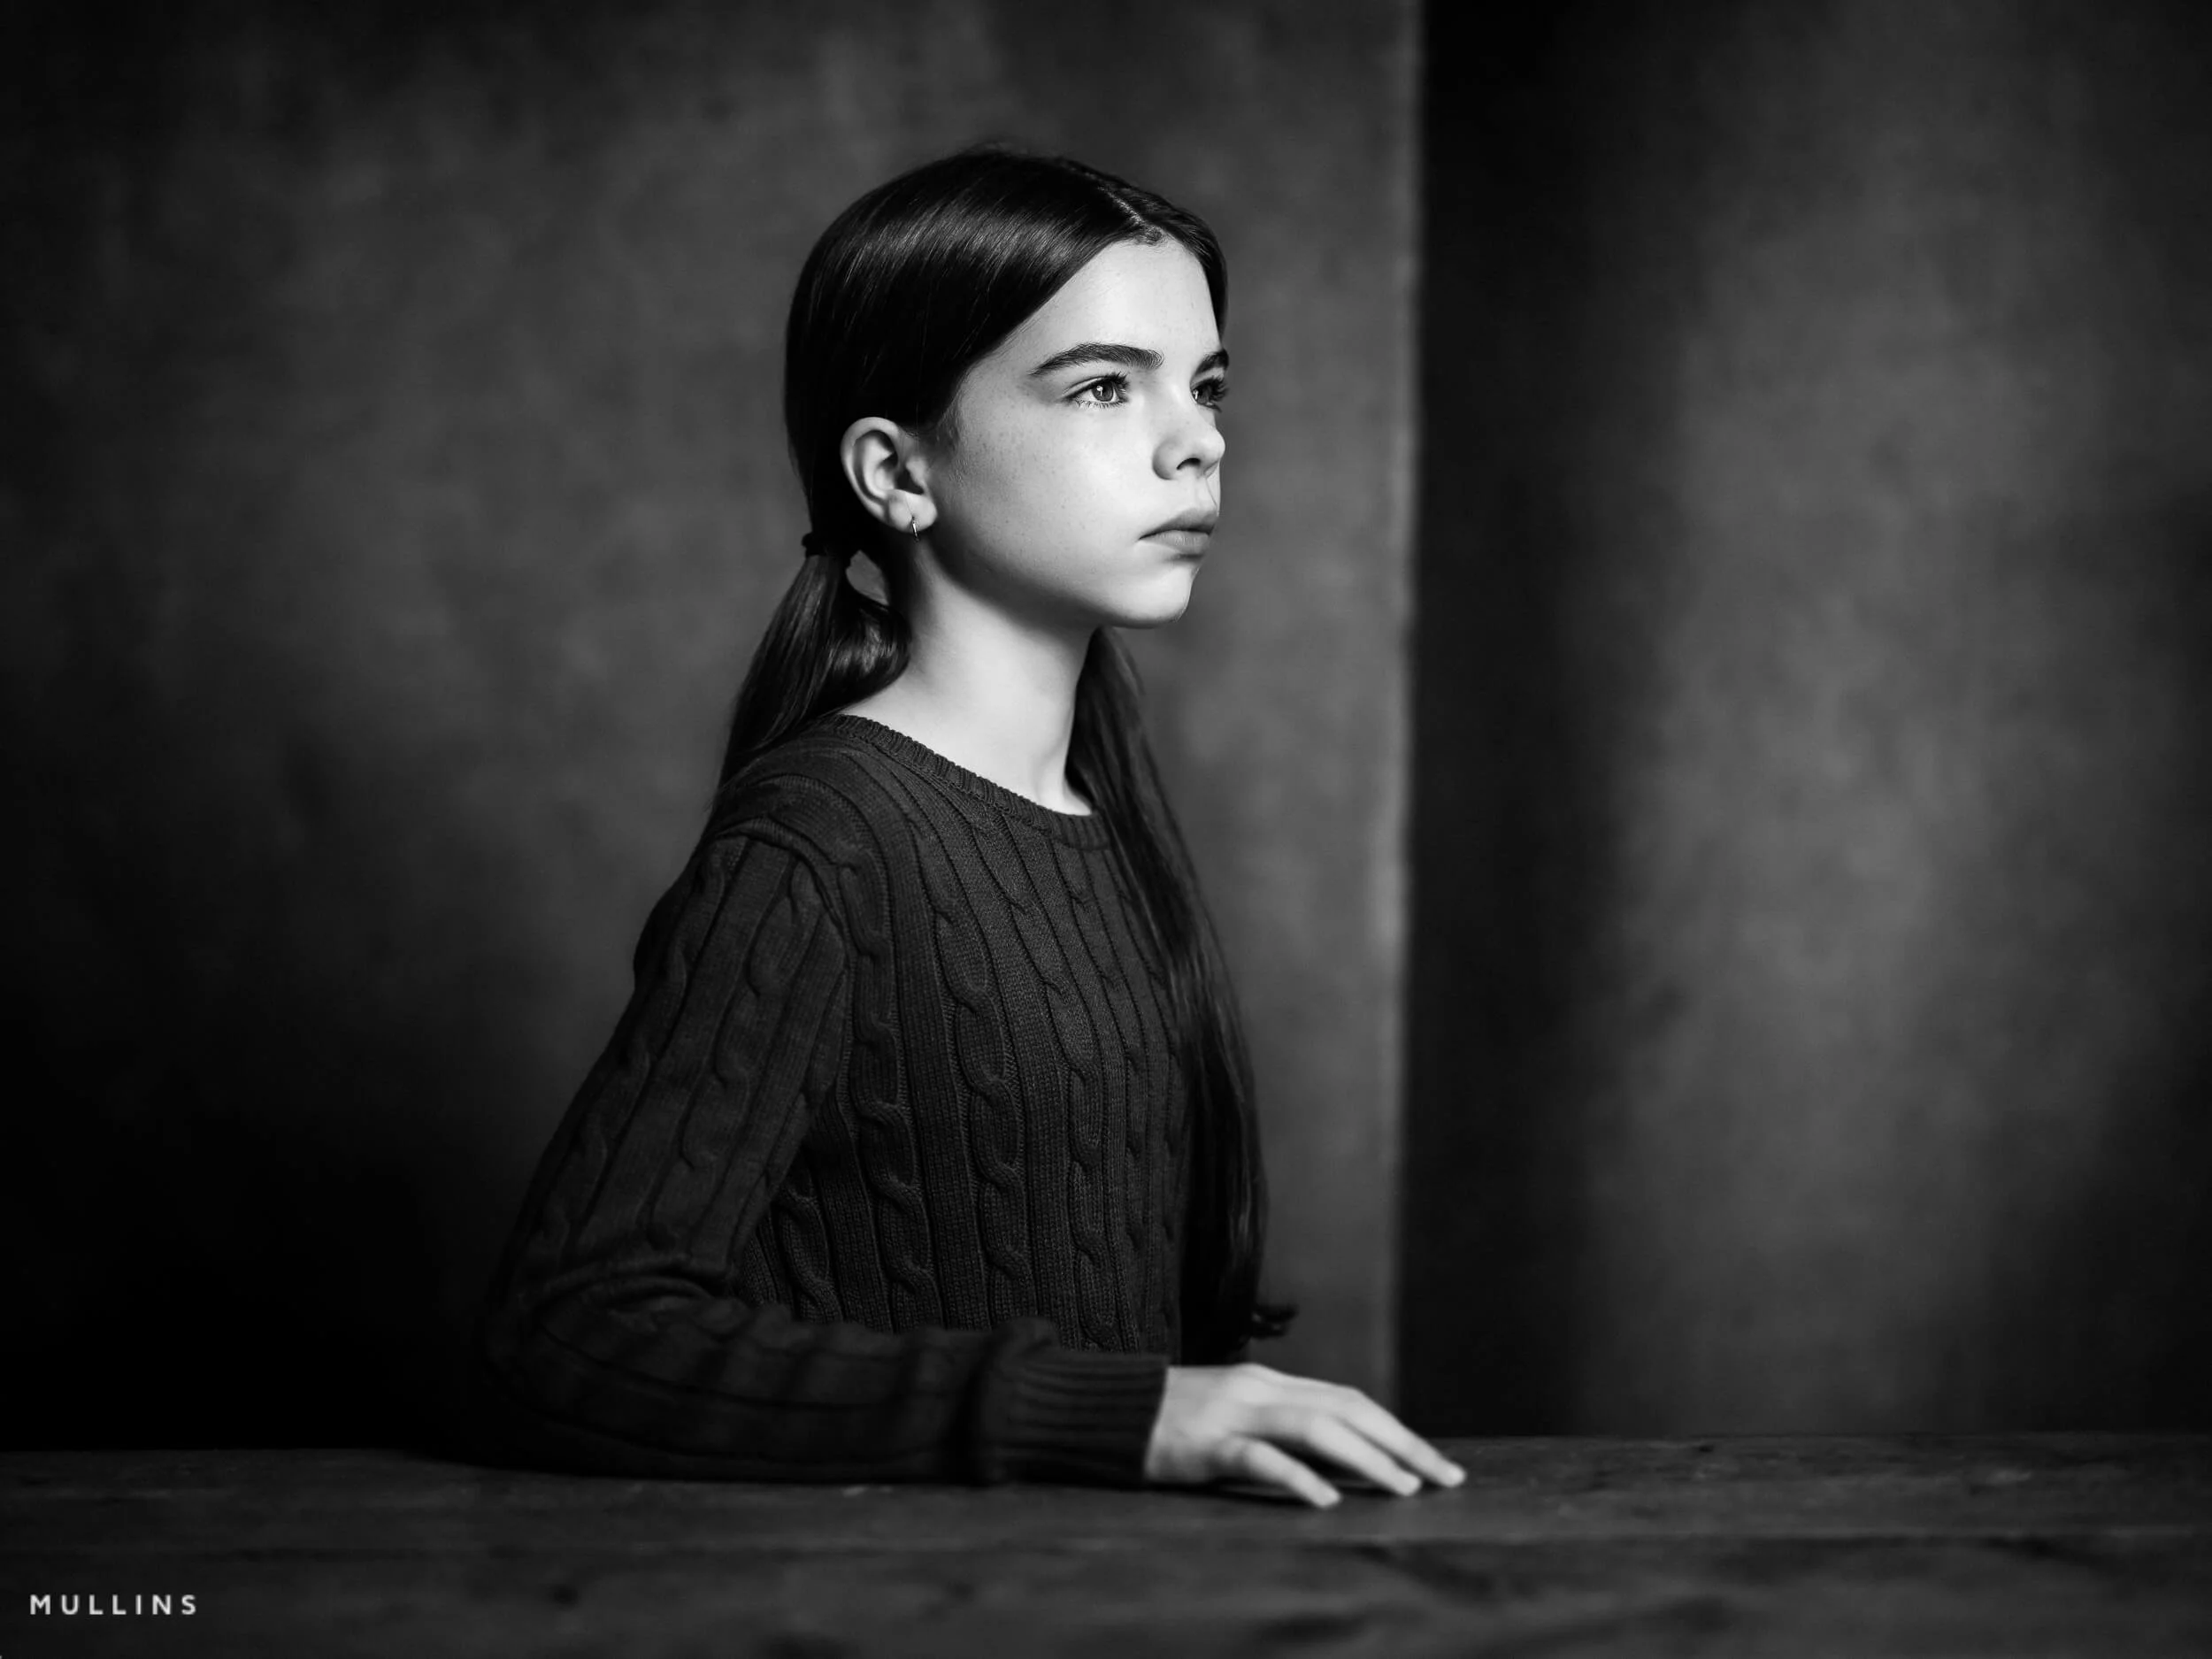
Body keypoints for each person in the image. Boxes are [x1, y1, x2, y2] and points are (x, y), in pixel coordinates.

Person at [471, 147, 1462, 1509]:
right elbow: (567, 1330)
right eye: (1108, 385)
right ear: (896, 468)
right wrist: (1113, 1416)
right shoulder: (821, 844)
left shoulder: (1102, 819)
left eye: (1208, 383)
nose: (1201, 438)